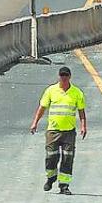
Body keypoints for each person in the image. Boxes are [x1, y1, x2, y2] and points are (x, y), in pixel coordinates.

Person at [29, 65, 88, 195]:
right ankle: (51, 178)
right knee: (51, 157)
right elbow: (42, 108)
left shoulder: (77, 93)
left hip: (69, 132)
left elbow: (81, 111)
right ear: (59, 77)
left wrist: (83, 126)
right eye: (62, 76)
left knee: (68, 158)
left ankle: (64, 185)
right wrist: (35, 123)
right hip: (53, 131)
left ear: (70, 77)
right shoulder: (51, 91)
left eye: (66, 76)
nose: (64, 78)